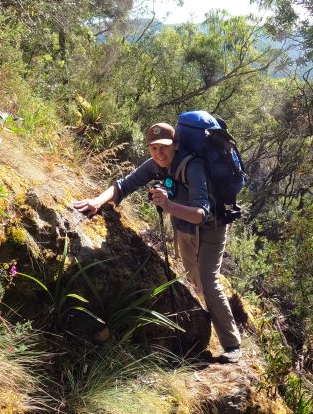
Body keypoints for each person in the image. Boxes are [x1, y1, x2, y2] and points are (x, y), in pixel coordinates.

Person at [73, 122, 242, 363]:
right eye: (153, 148)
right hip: (184, 228)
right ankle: (205, 322)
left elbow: (201, 213)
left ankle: (231, 344)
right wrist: (97, 202)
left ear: (176, 145)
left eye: (163, 148)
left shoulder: (193, 166)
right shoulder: (154, 165)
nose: (158, 154)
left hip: (212, 226)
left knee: (208, 279)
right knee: (193, 278)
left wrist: (169, 205)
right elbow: (124, 185)